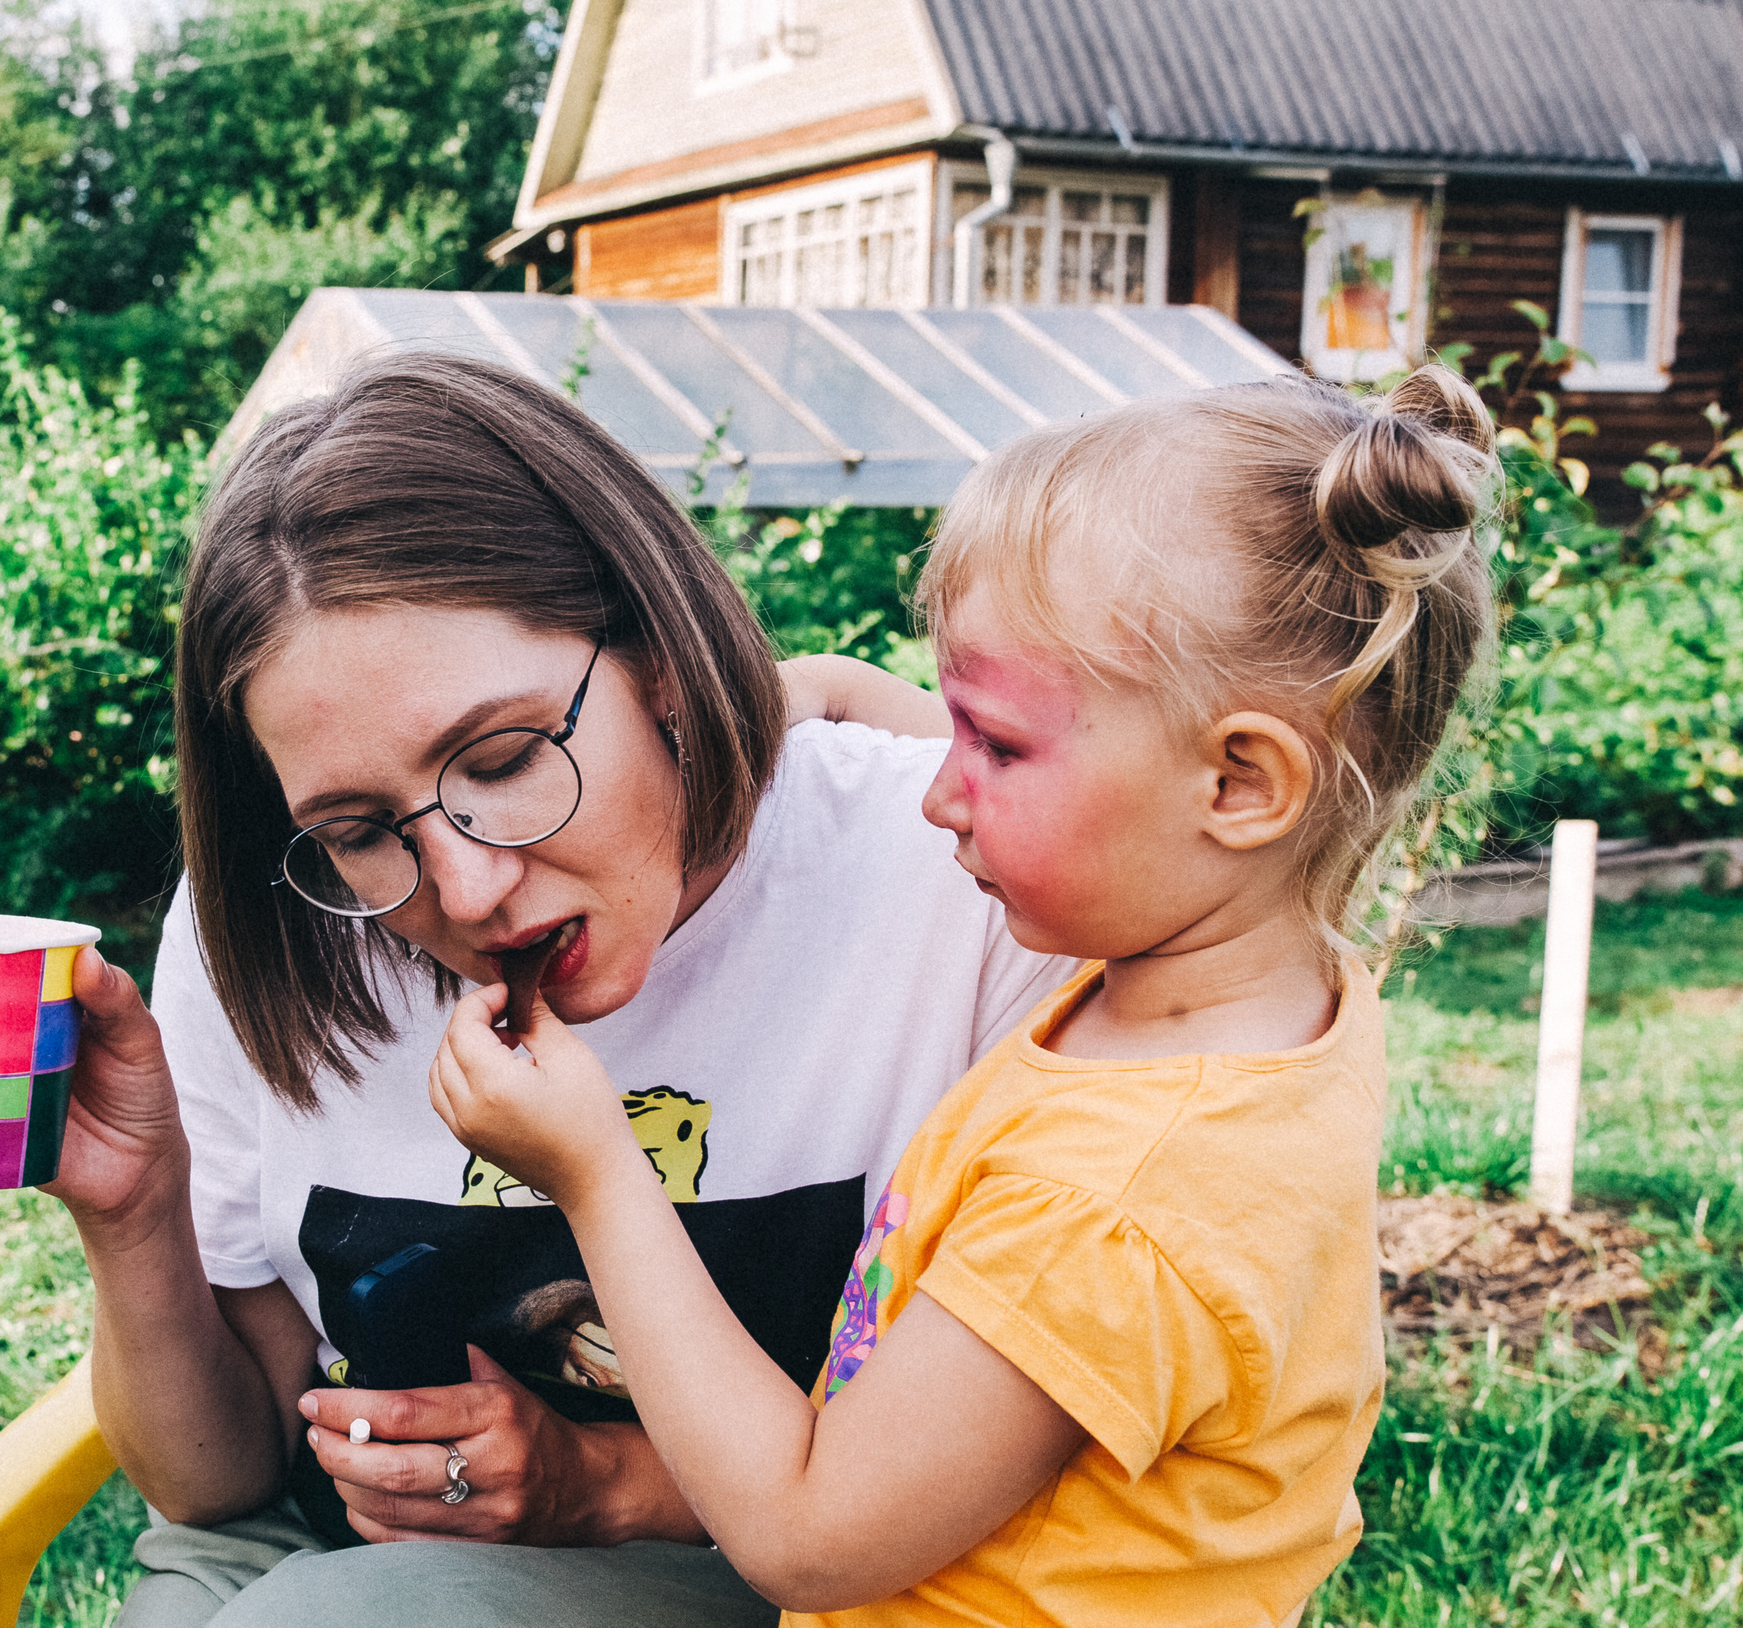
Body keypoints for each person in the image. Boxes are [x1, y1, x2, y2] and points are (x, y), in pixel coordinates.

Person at [0, 352, 1070, 1627]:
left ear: (657, 656)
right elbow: (215, 1487)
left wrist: (603, 1483)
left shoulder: (955, 884)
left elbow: (1030, 1467)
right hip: (304, 1561)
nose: (469, 891)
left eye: (505, 758)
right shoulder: (278, 921)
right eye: (360, 829)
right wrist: (135, 1211)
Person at [427, 366, 1499, 1626]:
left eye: (993, 743)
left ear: (1239, 786)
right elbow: (1022, 757)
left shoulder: (1107, 1206)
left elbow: (806, 1540)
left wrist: (596, 1172)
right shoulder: (1248, 987)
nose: (939, 790)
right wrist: (826, 691)